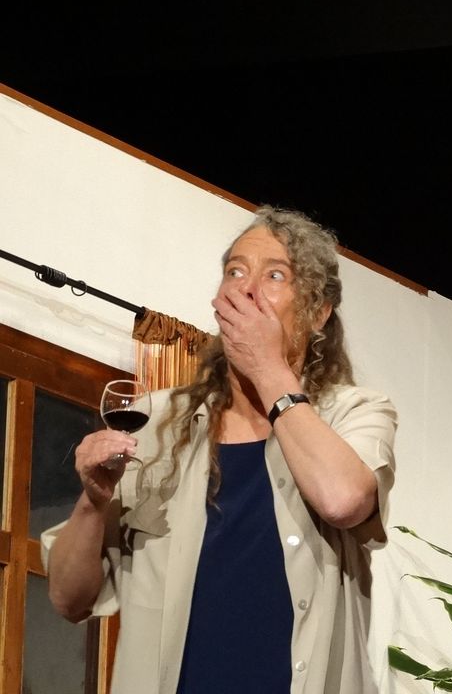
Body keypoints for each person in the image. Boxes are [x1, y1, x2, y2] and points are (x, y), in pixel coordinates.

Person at [44, 207, 397, 693]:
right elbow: (68, 599)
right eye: (235, 271)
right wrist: (92, 503)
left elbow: (343, 501)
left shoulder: (353, 413)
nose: (246, 289)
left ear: (318, 313)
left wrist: (267, 366)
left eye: (275, 275)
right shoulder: (155, 422)